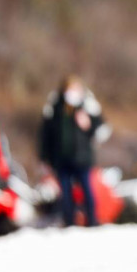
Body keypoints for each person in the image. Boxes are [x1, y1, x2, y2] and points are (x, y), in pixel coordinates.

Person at [39, 75, 110, 227]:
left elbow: (101, 130)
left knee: (87, 190)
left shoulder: (87, 106)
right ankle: (69, 222)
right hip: (61, 158)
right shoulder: (55, 108)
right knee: (65, 193)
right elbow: (46, 136)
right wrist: (45, 158)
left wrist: (88, 125)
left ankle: (92, 221)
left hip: (82, 158)